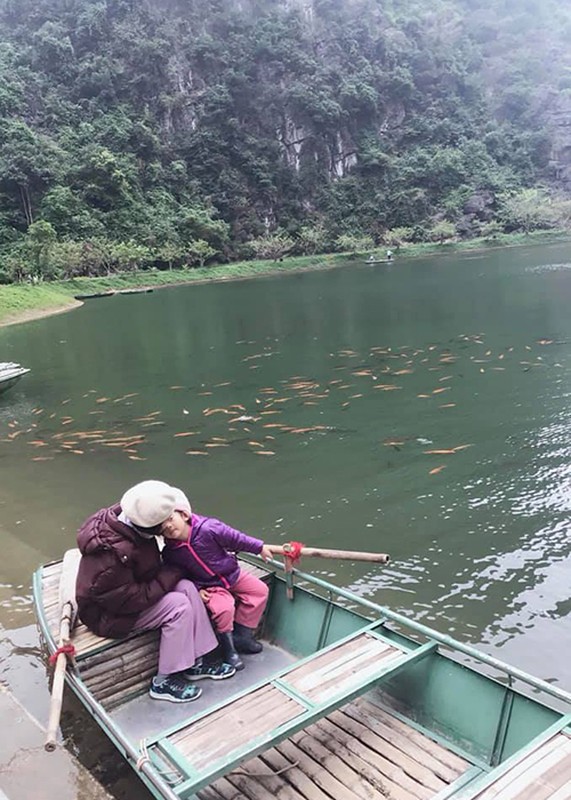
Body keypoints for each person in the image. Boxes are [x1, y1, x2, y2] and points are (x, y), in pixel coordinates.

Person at [75, 480, 236, 704]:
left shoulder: (132, 516)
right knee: (178, 606)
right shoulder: (111, 556)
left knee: (188, 588)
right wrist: (174, 570)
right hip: (109, 614)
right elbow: (130, 599)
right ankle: (164, 681)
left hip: (134, 589)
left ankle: (198, 662)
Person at [161, 488, 272, 672]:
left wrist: (259, 547)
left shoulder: (208, 528)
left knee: (259, 591)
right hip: (208, 585)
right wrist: (196, 588)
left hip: (230, 573)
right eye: (163, 528)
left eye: (171, 520)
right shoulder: (171, 552)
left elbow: (236, 539)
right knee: (224, 609)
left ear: (184, 515)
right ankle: (229, 650)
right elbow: (179, 574)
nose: (169, 527)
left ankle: (242, 636)